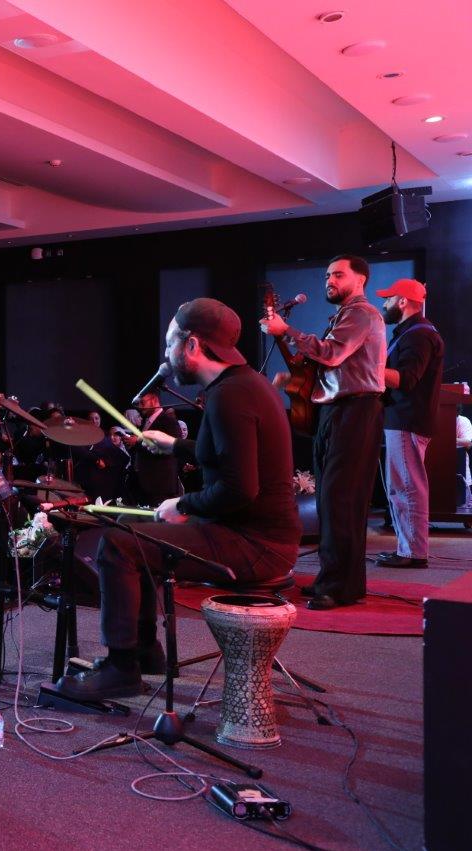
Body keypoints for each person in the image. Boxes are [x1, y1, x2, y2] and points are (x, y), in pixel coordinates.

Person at [58, 299, 301, 699]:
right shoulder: (244, 385)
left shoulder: (229, 397)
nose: (166, 354)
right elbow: (227, 456)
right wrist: (175, 446)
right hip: (255, 533)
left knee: (118, 544)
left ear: (192, 344)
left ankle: (121, 668)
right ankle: (144, 651)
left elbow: (240, 490)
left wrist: (182, 505)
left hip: (255, 544)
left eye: (169, 342)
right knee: (131, 529)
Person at [261, 255, 386, 610]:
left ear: (360, 279)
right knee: (332, 499)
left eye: (338, 275)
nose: (329, 280)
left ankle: (338, 586)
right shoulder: (345, 315)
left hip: (355, 410)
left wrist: (287, 332)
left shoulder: (362, 313)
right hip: (339, 410)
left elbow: (331, 355)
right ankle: (339, 580)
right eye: (327, 275)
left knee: (340, 499)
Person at [373, 279, 445, 568]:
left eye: (388, 298)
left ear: (403, 301)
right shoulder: (412, 333)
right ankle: (408, 549)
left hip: (407, 420)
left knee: (406, 487)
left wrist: (368, 366)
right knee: (401, 487)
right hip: (404, 420)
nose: (384, 304)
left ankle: (413, 553)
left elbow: (406, 379)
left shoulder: (419, 335)